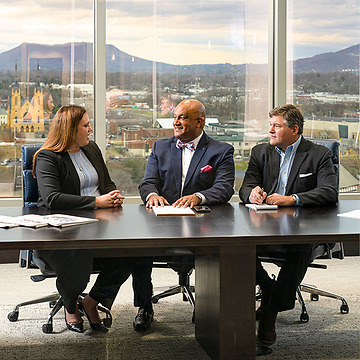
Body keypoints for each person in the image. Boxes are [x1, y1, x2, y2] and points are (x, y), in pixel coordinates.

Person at [33, 104, 144, 334]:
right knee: (79, 257)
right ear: (70, 129)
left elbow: (106, 183)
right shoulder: (47, 157)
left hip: (99, 223)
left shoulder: (91, 149)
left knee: (132, 251)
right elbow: (52, 198)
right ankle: (70, 303)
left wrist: (112, 196)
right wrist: (96, 202)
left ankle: (92, 302)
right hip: (61, 230)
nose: (90, 129)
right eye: (85, 125)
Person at [239, 104, 338, 345]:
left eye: (276, 126)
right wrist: (252, 193)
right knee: (237, 244)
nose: (270, 130)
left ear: (294, 129)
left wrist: (293, 199)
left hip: (305, 226)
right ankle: (267, 286)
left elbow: (329, 191)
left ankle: (270, 311)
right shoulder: (260, 152)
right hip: (265, 224)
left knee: (300, 246)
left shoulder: (319, 154)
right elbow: (245, 187)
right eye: (270, 125)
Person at [138, 98, 235, 326]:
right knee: (138, 252)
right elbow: (147, 182)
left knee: (215, 251)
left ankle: (206, 307)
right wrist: (153, 195)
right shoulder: (160, 147)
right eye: (175, 117)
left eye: (182, 117)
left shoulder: (221, 151)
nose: (176, 122)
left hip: (202, 224)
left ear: (200, 122)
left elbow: (224, 188)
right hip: (162, 222)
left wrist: (198, 197)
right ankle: (144, 307)